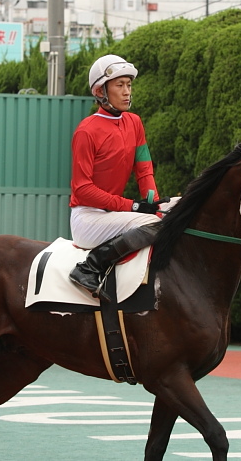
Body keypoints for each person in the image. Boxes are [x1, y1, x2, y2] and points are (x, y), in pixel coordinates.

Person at [68, 54, 167, 301]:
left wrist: (153, 201)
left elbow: (144, 170)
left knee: (175, 211)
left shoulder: (134, 122)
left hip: (113, 215)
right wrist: (133, 206)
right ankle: (88, 268)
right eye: (119, 85)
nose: (126, 92)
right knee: (150, 224)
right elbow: (82, 189)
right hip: (87, 218)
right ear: (101, 91)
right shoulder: (86, 131)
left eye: (129, 85)